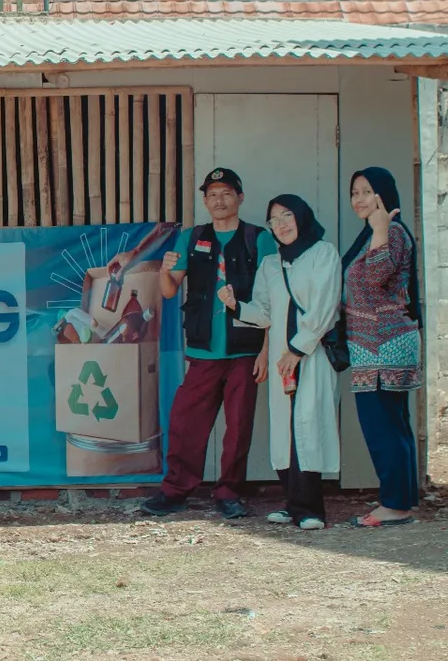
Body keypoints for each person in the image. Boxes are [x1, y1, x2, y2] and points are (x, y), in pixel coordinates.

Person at [136, 168, 277, 520]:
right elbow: (169, 291)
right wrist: (165, 271)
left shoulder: (258, 239)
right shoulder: (192, 237)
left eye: (226, 193)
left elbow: (276, 299)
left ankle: (229, 492)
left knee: (239, 426)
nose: (219, 200)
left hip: (245, 349)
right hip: (202, 350)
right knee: (186, 421)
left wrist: (266, 350)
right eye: (212, 194)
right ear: (205, 200)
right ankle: (175, 491)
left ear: (240, 197)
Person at [219, 195, 342, 530]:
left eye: (287, 215)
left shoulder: (323, 254)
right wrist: (235, 306)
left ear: (301, 216)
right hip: (280, 361)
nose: (282, 224)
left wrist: (298, 350)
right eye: (274, 219)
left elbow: (325, 307)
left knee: (308, 424)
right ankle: (291, 503)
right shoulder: (271, 264)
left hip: (309, 356)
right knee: (284, 430)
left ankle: (311, 508)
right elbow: (264, 312)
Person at [344, 167, 422, 528]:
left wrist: (378, 230)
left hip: (382, 344)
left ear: (383, 194)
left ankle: (394, 505)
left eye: (366, 191)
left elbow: (376, 278)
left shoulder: (389, 230)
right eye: (355, 192)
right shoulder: (374, 233)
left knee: (382, 427)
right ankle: (403, 498)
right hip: (377, 344)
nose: (359, 199)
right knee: (394, 424)